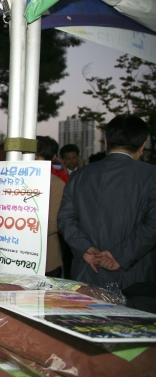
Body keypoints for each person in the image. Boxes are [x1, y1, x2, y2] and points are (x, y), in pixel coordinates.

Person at [58, 115, 156, 298]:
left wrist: (84, 248)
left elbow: (65, 218)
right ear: (142, 146)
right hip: (135, 279)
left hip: (86, 272)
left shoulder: (79, 176)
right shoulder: (151, 176)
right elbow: (152, 226)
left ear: (106, 142)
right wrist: (120, 255)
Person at [35, 136, 65, 277]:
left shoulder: (56, 184)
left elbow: (53, 224)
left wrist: (21, 232)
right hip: (16, 259)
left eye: (39, 157)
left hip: (46, 259)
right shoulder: (16, 181)